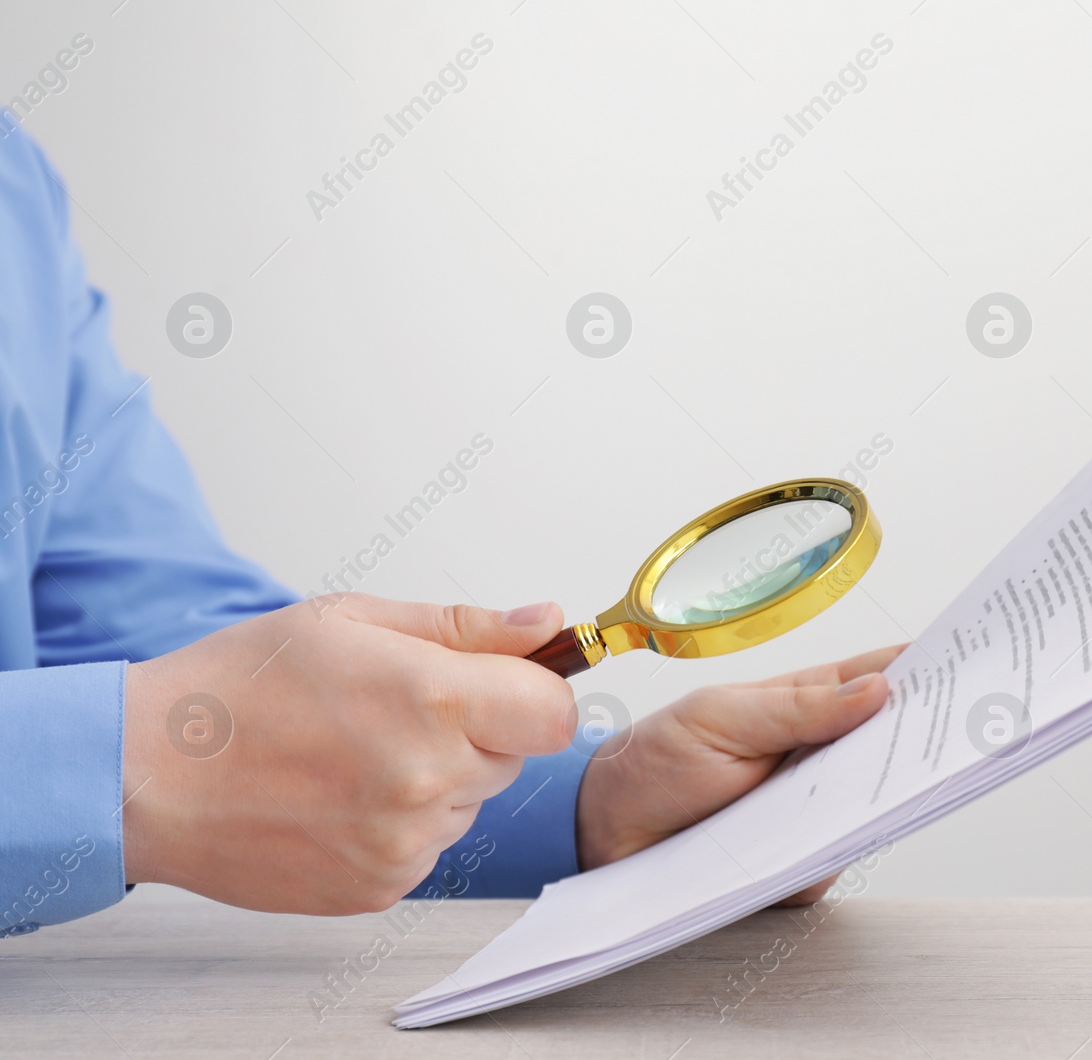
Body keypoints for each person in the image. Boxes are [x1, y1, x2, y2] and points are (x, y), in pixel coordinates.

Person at [0, 127, 899, 935]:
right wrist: (135, 766)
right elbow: (145, 721)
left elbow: (143, 630)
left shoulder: (14, 183)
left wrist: (592, 805)